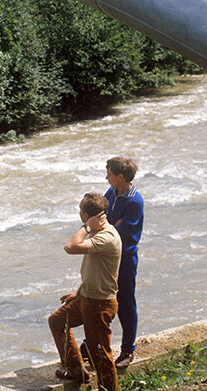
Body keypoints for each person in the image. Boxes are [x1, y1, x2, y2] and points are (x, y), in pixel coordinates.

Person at [48, 192, 121, 391]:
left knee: (101, 357)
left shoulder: (106, 237)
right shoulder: (98, 233)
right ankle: (75, 369)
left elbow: (70, 247)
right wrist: (77, 293)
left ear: (87, 215)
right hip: (86, 298)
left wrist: (86, 226)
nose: (79, 213)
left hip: (99, 304)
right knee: (57, 322)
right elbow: (97, 272)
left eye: (81, 210)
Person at [105, 156, 143, 368]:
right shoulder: (111, 192)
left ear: (120, 177)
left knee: (126, 303)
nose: (106, 177)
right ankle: (92, 345)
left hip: (125, 258)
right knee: (100, 299)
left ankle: (128, 350)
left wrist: (108, 225)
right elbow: (100, 214)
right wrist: (112, 224)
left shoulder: (135, 201)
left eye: (109, 175)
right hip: (108, 256)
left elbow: (123, 231)